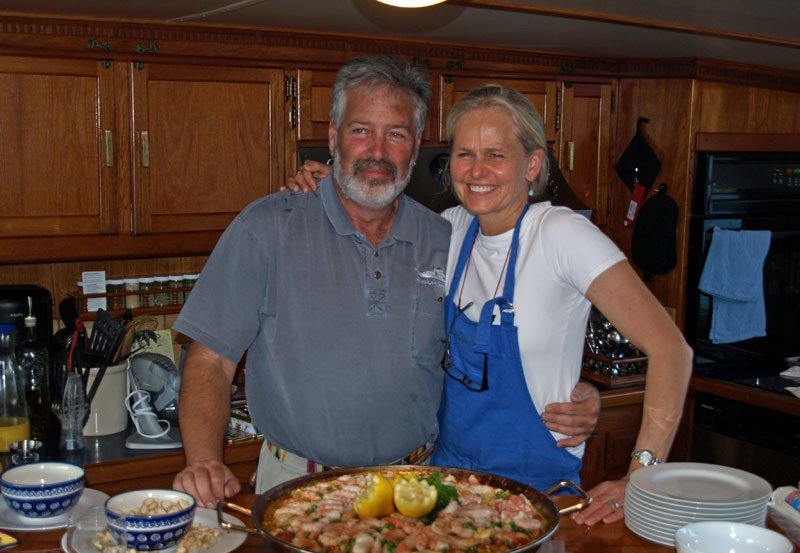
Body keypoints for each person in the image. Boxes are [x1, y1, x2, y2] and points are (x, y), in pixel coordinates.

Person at [171, 55, 599, 509]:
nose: (377, 151)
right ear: (333, 139)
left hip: (420, 484)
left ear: (415, 148)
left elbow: (485, 355)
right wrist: (203, 460)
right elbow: (211, 360)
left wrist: (577, 391)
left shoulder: (446, 237)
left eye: (395, 134)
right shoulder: (266, 228)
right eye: (360, 131)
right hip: (299, 485)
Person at [287, 83, 693, 525]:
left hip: (537, 493)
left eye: (496, 155)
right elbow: (374, 218)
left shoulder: (561, 234)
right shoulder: (449, 229)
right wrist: (331, 188)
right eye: (465, 154)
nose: (477, 171)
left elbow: (673, 351)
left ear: (532, 164)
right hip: (446, 488)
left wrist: (640, 476)